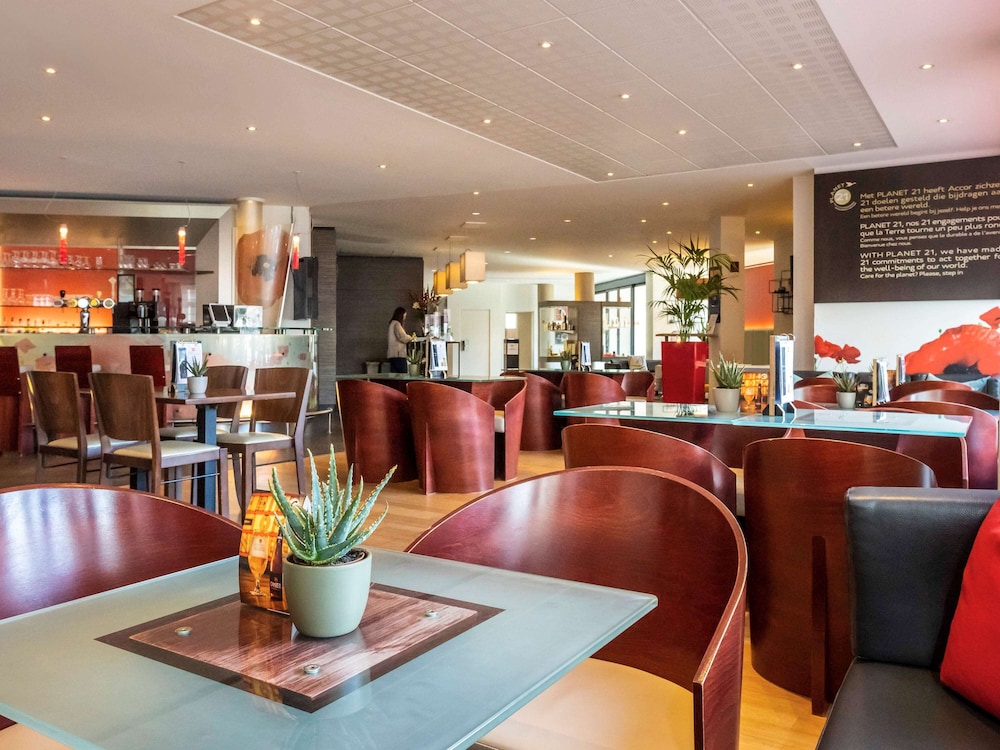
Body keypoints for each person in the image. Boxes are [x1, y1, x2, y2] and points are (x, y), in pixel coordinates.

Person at [387, 306, 414, 374]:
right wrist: (410, 337)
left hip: (392, 354)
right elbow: (403, 337)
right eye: (404, 315)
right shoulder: (397, 324)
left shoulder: (392, 324)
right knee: (402, 374)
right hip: (398, 354)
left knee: (394, 375)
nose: (404, 318)